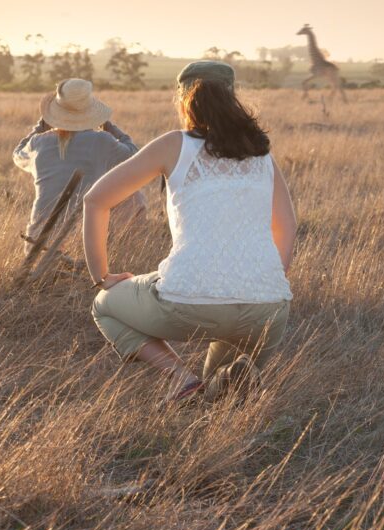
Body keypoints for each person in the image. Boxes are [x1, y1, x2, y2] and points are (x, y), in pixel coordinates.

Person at [83, 61, 295, 403]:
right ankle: (219, 382)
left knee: (103, 305)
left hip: (188, 300)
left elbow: (95, 200)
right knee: (218, 388)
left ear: (185, 100)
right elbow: (286, 225)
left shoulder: (175, 145)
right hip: (268, 310)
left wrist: (101, 276)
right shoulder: (260, 151)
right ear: (232, 98)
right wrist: (266, 283)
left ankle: (181, 377)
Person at [13, 78, 145, 254]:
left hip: (35, 245)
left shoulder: (38, 143)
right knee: (134, 194)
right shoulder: (101, 141)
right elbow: (134, 155)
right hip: (83, 248)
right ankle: (128, 250)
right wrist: (109, 126)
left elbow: (18, 154)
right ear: (91, 112)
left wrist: (39, 127)